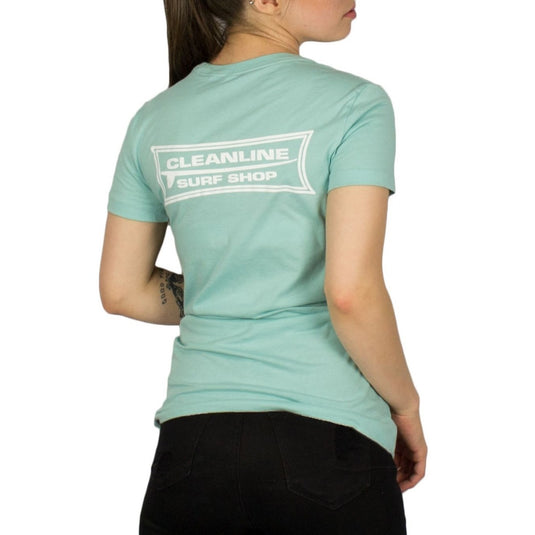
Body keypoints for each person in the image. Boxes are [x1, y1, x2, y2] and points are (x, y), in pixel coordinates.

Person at [99, 0, 427, 533]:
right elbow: (350, 294)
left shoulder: (154, 119)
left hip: (190, 454)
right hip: (327, 445)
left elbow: (122, 290)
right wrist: (405, 405)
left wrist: (226, 290)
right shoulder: (354, 104)